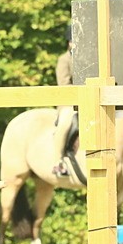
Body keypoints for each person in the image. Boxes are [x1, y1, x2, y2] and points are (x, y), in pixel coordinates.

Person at [53, 26, 77, 177]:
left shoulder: (88, 58)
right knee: (66, 122)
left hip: (88, 101)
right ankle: (58, 161)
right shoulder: (64, 60)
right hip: (69, 101)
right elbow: (64, 84)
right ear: (69, 42)